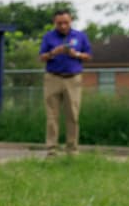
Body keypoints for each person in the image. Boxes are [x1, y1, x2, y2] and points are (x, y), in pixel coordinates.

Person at [39, 9, 91, 157]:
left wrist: (76, 54)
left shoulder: (80, 36)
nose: (62, 26)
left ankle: (72, 149)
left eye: (65, 23)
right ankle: (51, 149)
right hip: (53, 78)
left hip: (73, 78)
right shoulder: (48, 37)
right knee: (52, 115)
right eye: (59, 23)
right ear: (54, 23)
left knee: (73, 115)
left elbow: (89, 56)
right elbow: (41, 57)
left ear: (71, 21)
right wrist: (53, 53)